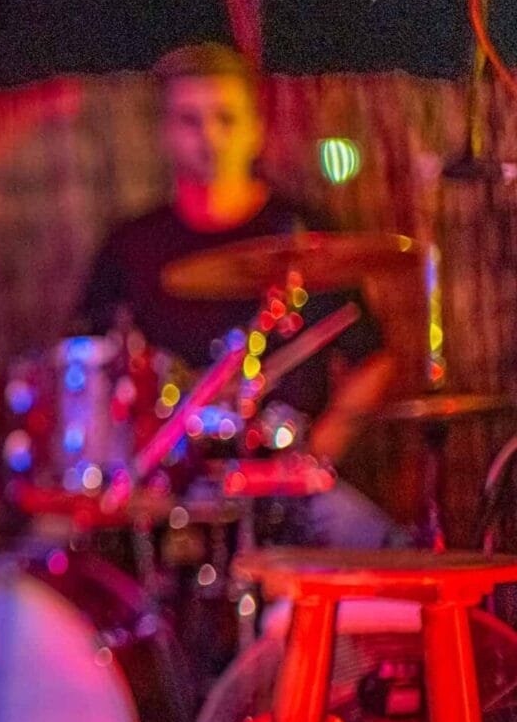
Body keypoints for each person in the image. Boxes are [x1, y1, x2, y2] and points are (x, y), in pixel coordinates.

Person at [74, 40, 399, 545]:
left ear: (255, 127)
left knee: (386, 548)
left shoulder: (303, 236)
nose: (210, 136)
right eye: (190, 120)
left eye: (225, 118)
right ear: (164, 132)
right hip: (168, 486)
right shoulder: (130, 247)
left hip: (282, 485)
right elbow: (86, 367)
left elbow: (373, 361)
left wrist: (323, 445)